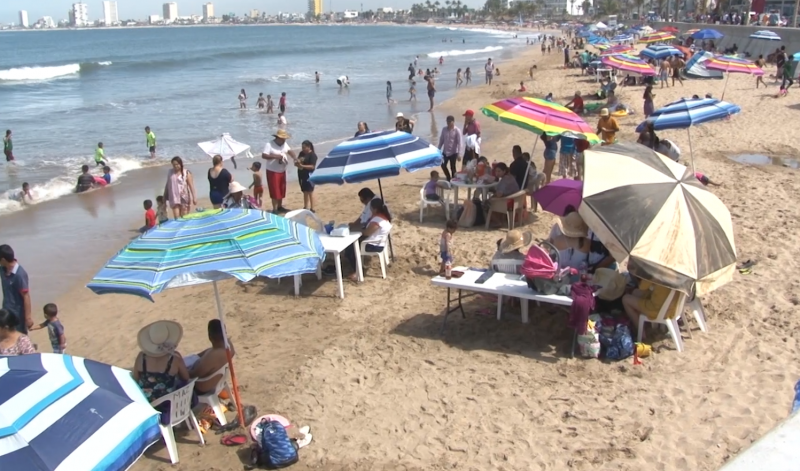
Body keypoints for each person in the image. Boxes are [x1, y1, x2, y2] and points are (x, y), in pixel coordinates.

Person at [133, 320, 190, 403]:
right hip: (169, 405)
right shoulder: (175, 358)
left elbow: (135, 379)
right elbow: (186, 377)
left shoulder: (141, 357)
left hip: (146, 405)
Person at [342, 198, 392, 281]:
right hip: (378, 243)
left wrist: (358, 230)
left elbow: (367, 233)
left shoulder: (377, 220)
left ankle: (358, 271)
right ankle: (357, 269)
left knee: (350, 249)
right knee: (352, 246)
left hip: (373, 245)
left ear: (374, 209)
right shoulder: (384, 217)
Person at [621, 265, 682, 330]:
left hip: (658, 309)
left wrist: (639, 273)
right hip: (673, 308)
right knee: (635, 292)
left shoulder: (657, 272)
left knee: (625, 299)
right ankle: (641, 322)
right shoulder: (675, 271)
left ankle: (640, 331)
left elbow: (642, 287)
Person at [189, 319, 235, 394]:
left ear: (210, 336)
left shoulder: (212, 357)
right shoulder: (228, 346)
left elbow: (193, 375)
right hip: (218, 382)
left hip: (201, 387)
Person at [261, 129, 295, 213]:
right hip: (272, 171)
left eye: (285, 139)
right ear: (278, 137)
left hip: (282, 170)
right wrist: (276, 157)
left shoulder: (284, 144)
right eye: (283, 138)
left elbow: (290, 151)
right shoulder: (269, 144)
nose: (284, 140)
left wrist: (295, 158)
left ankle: (280, 206)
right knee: (274, 190)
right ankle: (275, 208)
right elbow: (264, 155)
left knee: (281, 189)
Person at [0, 245, 31, 335]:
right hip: (5, 311)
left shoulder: (19, 275)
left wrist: (28, 318)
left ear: (3, 260)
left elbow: (26, 296)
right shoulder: (3, 270)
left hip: (18, 314)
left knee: (19, 337)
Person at [438, 115, 463, 181]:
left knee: (453, 168)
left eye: (450, 122)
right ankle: (448, 178)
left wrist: (459, 154)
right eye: (447, 122)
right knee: (443, 165)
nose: (448, 123)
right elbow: (441, 140)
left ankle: (454, 180)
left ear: (453, 122)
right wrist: (438, 149)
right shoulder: (444, 129)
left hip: (453, 152)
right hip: (445, 152)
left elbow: (459, 143)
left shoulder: (457, 130)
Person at [296, 140, 318, 212]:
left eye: (304, 147)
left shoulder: (313, 155)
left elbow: (312, 167)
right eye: (302, 147)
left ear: (309, 147)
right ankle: (305, 206)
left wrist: (302, 165)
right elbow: (297, 162)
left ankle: (312, 208)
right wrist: (297, 163)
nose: (303, 149)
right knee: (305, 191)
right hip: (301, 174)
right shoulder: (301, 153)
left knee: (310, 191)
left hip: (309, 174)